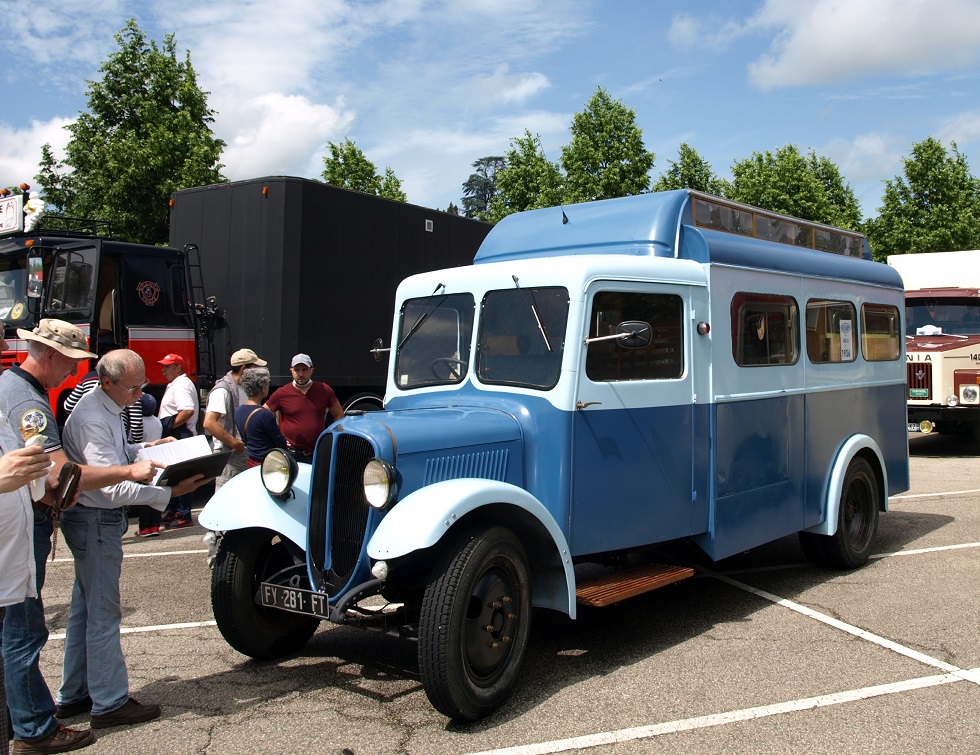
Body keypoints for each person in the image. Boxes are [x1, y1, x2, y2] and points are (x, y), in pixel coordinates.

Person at [0, 321, 157, 751]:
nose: (71, 373)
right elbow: (58, 473)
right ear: (50, 354)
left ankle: (60, 705)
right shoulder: (27, 400)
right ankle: (35, 728)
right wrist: (131, 473)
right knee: (23, 632)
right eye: (70, 362)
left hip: (24, 518)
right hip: (21, 523)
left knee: (43, 623)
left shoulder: (13, 389)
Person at [56, 349, 209, 730]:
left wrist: (144, 450)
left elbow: (116, 457)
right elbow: (109, 486)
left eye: (143, 386)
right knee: (103, 613)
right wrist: (167, 495)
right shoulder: (93, 417)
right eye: (133, 387)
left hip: (91, 519)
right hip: (96, 519)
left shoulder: (105, 405)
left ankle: (75, 694)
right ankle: (109, 702)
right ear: (107, 381)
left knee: (85, 608)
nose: (139, 395)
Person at [0, 410, 93, 754]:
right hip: (8, 565)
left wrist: (41, 491)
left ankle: (22, 723)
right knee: (22, 637)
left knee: (20, 637)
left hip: (12, 564)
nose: (8, 351)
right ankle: (33, 728)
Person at [202, 348, 266, 488]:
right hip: (229, 454)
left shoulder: (241, 387)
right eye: (254, 368)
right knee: (226, 493)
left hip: (240, 451)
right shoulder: (223, 390)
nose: (257, 372)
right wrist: (234, 443)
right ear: (244, 368)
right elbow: (209, 422)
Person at [265, 353, 344, 463]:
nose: (301, 374)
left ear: (312, 370)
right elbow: (264, 414)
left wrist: (332, 437)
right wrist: (277, 437)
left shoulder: (324, 390)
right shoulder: (281, 393)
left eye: (305, 370)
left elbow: (339, 415)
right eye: (297, 370)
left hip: (317, 453)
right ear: (291, 371)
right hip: (291, 454)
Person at [156, 354, 199, 529]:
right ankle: (174, 510)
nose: (163, 369)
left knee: (182, 474)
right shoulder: (176, 384)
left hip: (181, 433)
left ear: (179, 368)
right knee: (173, 474)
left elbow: (187, 410)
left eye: (167, 366)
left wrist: (170, 427)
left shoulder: (181, 384)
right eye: (163, 365)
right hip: (178, 432)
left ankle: (184, 513)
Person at [235, 367, 288, 468]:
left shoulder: (239, 411)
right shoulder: (265, 414)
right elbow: (279, 441)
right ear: (263, 388)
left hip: (250, 463)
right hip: (269, 465)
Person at [134, 394, 163, 537]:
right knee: (156, 492)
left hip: (142, 460)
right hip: (156, 459)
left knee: (143, 495)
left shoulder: (138, 421)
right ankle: (156, 525)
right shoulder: (157, 421)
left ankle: (144, 527)